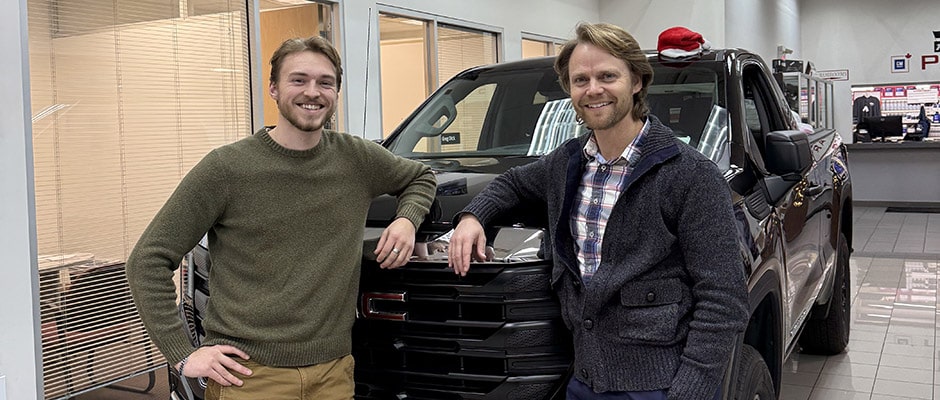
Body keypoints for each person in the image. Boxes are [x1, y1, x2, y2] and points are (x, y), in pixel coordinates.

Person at [447, 23, 748, 400]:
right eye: (580, 80)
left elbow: (724, 300)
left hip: (659, 387)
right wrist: (473, 217)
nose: (593, 90)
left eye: (607, 76)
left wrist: (691, 391)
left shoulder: (690, 175)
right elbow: (512, 183)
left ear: (636, 81)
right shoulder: (567, 163)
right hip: (585, 380)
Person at [126, 36, 436, 400]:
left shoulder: (357, 159)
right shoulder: (227, 169)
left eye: (325, 82)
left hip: (334, 373)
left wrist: (406, 220)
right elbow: (148, 260)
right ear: (273, 88)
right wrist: (182, 355)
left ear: (336, 92)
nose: (313, 92)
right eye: (298, 80)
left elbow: (421, 177)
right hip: (249, 377)